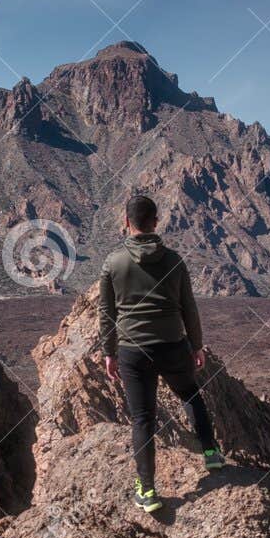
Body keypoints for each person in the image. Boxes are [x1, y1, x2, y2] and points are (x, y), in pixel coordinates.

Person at [97, 195, 223, 514]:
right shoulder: (175, 260)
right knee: (191, 394)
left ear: (127, 222)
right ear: (155, 221)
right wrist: (196, 345)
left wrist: (108, 352)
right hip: (172, 345)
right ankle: (211, 453)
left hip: (132, 351)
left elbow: (106, 313)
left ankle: (148, 491)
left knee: (143, 418)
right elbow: (189, 307)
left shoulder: (113, 263)